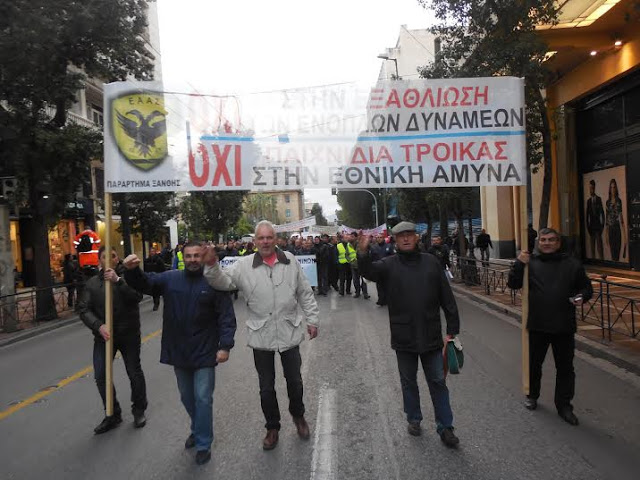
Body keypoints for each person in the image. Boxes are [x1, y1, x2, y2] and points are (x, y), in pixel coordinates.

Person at [201, 220, 319, 451]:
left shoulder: (290, 260)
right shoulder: (243, 265)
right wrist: (212, 264)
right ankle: (272, 427)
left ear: (276, 239)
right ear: (255, 242)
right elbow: (222, 283)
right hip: (261, 334)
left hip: (289, 330)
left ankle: (298, 416)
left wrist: (312, 319)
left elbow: (304, 292)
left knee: (294, 381)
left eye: (269, 237)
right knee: (266, 386)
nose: (265, 241)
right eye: (261, 238)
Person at [123, 242, 237, 465]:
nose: (193, 259)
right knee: (187, 397)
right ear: (182, 257)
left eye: (197, 255)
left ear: (202, 257)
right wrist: (132, 270)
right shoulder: (170, 278)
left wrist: (225, 346)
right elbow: (145, 283)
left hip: (205, 351)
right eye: (189, 256)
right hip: (179, 351)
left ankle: (203, 442)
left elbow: (226, 317)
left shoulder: (214, 282)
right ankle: (197, 428)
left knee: (203, 398)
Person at [357, 222, 461, 447]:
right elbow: (368, 272)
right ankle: (414, 418)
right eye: (400, 236)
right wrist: (363, 252)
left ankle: (446, 427)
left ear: (416, 238)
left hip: (431, 334)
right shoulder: (389, 264)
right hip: (403, 336)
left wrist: (452, 328)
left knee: (438, 382)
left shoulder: (431, 262)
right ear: (394, 240)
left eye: (409, 235)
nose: (405, 239)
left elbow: (447, 296)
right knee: (408, 381)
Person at [507, 228, 593, 426]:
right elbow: (513, 284)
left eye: (551, 240)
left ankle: (564, 405)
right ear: (538, 242)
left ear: (558, 243)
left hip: (564, 325)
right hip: (538, 324)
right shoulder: (531, 263)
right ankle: (532, 395)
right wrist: (519, 263)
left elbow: (586, 288)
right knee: (534, 364)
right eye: (543, 240)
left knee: (565, 368)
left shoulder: (572, 264)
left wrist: (581, 297)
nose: (547, 243)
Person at [78, 247, 147, 435]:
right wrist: (98, 326)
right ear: (99, 260)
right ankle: (112, 414)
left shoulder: (128, 278)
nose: (108, 259)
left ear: (118, 259)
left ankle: (139, 410)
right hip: (104, 337)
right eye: (104, 257)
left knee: (134, 372)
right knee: (101, 376)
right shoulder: (92, 284)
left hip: (128, 334)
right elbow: (84, 309)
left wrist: (118, 281)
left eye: (113, 256)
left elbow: (137, 297)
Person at [605, 178, 627, 262]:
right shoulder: (607, 202)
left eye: (614, 187)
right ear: (609, 189)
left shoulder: (619, 201)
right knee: (613, 254)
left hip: (617, 229)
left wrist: (625, 235)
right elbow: (607, 219)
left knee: (617, 254)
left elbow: (621, 219)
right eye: (611, 187)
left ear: (616, 188)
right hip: (610, 230)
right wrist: (606, 234)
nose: (613, 189)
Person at [369, 233, 393, 306]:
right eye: (377, 237)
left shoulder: (389, 246)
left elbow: (393, 256)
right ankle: (381, 299)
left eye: (380, 237)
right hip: (378, 269)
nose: (379, 238)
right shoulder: (373, 247)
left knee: (387, 285)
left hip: (387, 269)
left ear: (383, 238)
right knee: (379, 285)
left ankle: (388, 299)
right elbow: (371, 258)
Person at [585, 179, 605, 260]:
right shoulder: (588, 201)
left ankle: (601, 263)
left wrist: (602, 227)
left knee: (600, 248)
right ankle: (594, 262)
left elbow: (602, 214)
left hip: (598, 227)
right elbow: (587, 216)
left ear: (594, 188)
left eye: (592, 188)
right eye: (589, 188)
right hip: (591, 228)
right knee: (592, 248)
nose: (591, 190)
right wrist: (588, 228)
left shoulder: (599, 199)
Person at [349, 231, 369, 299]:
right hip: (354, 266)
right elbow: (347, 254)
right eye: (350, 236)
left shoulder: (360, 244)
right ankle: (357, 292)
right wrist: (350, 261)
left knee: (364, 280)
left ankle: (365, 293)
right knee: (355, 280)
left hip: (362, 265)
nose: (351, 238)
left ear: (356, 237)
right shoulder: (349, 245)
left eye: (352, 236)